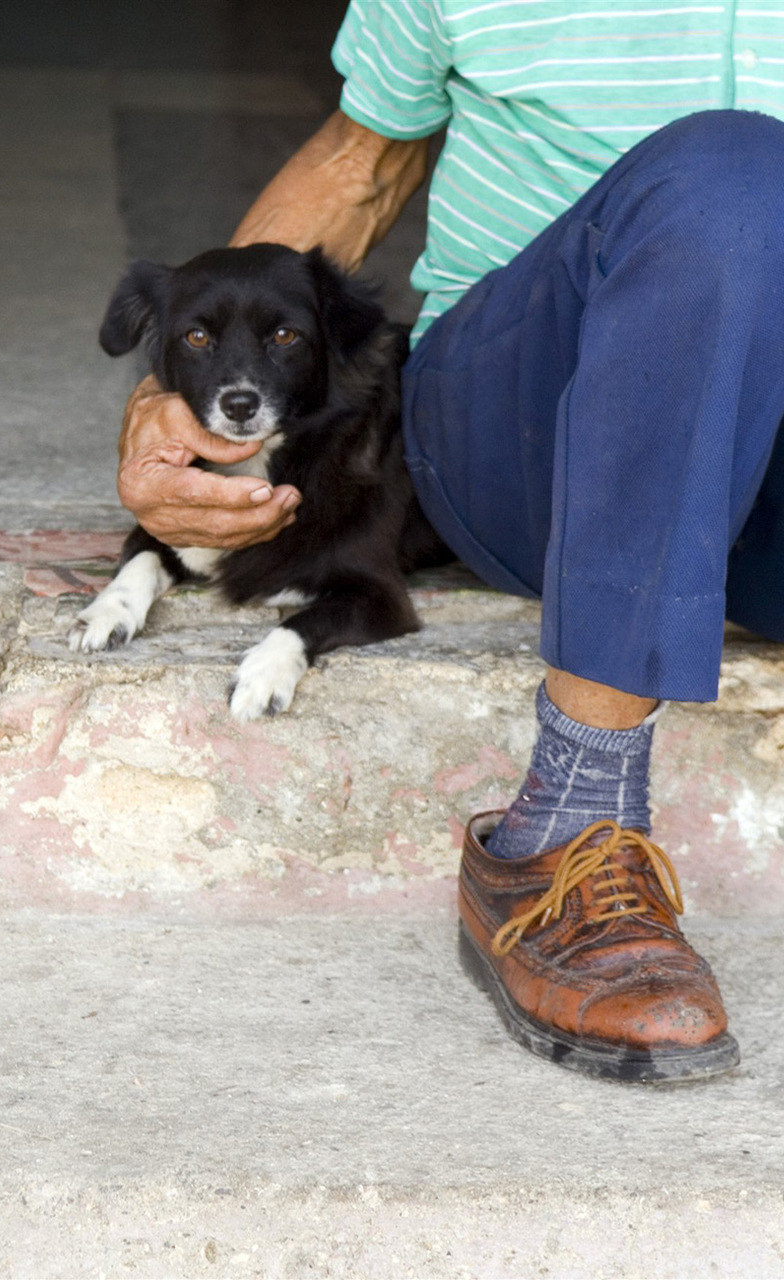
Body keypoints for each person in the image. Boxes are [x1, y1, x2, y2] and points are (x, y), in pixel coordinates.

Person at [116, 1, 784, 1082]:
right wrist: (171, 405)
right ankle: (565, 829)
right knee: (733, 176)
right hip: (518, 431)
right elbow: (359, 163)